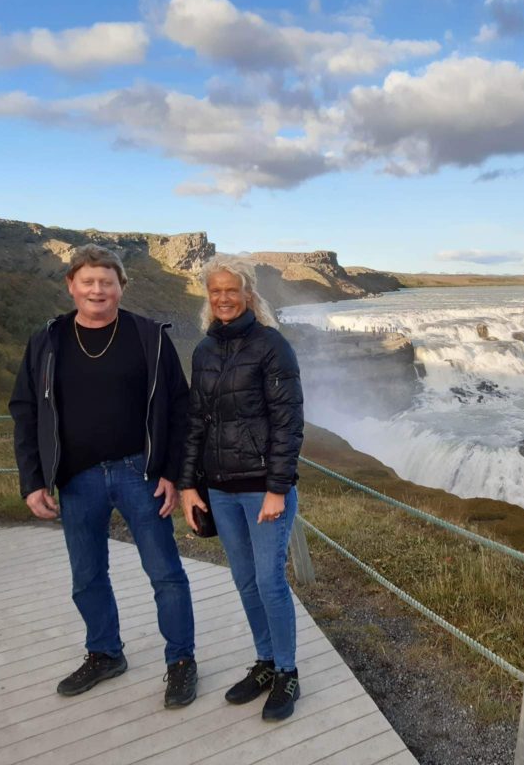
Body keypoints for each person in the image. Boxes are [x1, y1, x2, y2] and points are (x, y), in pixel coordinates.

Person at [9, 243, 197, 707]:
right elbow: (26, 409)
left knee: (165, 573)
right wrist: (33, 480)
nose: (98, 290)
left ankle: (181, 662)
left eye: (106, 282)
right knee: (87, 575)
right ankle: (105, 653)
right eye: (88, 281)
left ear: (120, 287)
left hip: (141, 472)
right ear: (71, 285)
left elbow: (180, 406)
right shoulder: (47, 340)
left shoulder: (149, 337)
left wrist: (172, 473)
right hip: (77, 478)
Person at [178, 256, 304, 722]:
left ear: (248, 294)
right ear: (208, 297)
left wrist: (278, 488)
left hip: (261, 490)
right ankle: (266, 663)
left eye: (232, 290)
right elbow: (195, 423)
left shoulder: (272, 346)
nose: (224, 299)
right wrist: (190, 485)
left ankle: (288, 672)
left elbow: (288, 423)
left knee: (270, 581)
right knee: (245, 580)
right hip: (220, 491)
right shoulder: (204, 351)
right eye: (215, 292)